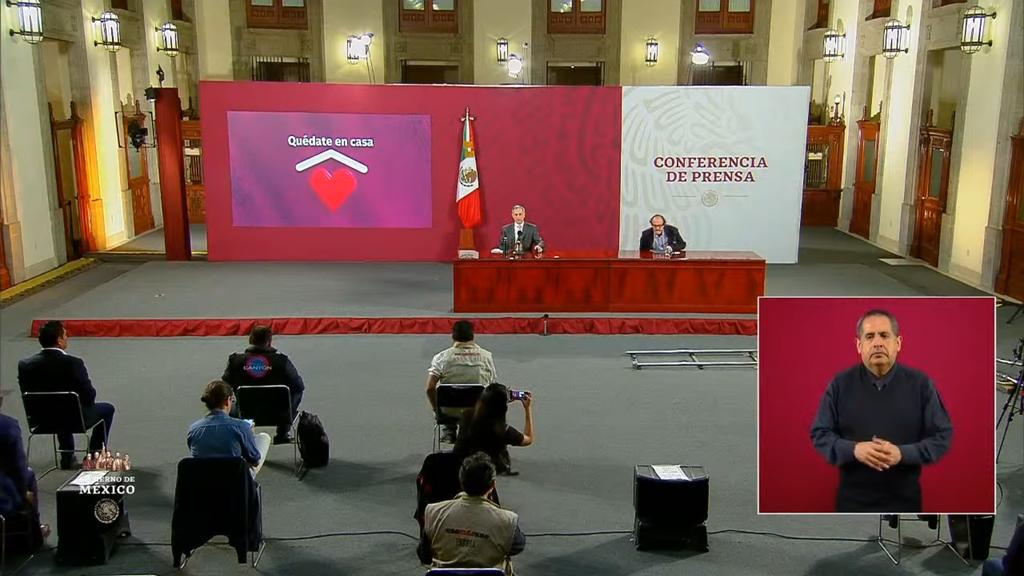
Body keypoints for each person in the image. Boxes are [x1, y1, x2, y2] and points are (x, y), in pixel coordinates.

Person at [810, 309, 953, 512]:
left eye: (884, 335)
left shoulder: (921, 384)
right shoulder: (840, 384)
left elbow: (942, 436)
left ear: (898, 343)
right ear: (859, 345)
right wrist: (854, 450)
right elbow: (820, 433)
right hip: (852, 500)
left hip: (905, 500)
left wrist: (902, 453)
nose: (877, 343)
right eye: (870, 337)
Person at [18, 320, 116, 469]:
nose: (67, 338)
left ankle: (67, 456)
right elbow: (89, 395)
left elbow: (26, 395)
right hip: (74, 419)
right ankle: (94, 456)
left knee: (58, 407)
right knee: (107, 409)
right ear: (59, 340)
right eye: (65, 335)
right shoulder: (73, 363)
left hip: (40, 421)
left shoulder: (25, 365)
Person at [419, 452, 525, 573]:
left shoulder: (433, 512)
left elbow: (424, 555)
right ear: (492, 486)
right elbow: (517, 546)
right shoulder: (507, 520)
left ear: (461, 481)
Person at [222, 325, 305, 444]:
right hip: (278, 414)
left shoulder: (235, 361)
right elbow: (299, 386)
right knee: (297, 392)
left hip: (243, 413)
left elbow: (224, 387)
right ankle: (282, 433)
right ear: (269, 341)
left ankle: (242, 433)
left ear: (251, 339)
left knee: (226, 397)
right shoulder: (282, 361)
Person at [427, 320, 498, 443]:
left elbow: (429, 388)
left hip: (448, 410)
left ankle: (449, 429)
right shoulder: (486, 356)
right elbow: (492, 386)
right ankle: (474, 432)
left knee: (439, 386)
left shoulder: (441, 357)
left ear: (453, 336)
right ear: (472, 335)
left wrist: (437, 410)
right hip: (477, 410)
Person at [187, 380, 272, 476]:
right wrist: (249, 435)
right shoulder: (241, 426)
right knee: (264, 437)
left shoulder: (193, 429)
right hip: (235, 480)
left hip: (204, 479)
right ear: (227, 401)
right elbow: (255, 461)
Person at [0, 388, 49, 551]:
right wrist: (23, 493)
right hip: (3, 500)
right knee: (28, 475)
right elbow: (18, 468)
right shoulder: (7, 426)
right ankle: (34, 535)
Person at [455, 383, 533, 477]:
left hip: (464, 462)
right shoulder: (502, 430)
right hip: (488, 467)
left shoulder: (466, 415)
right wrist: (527, 408)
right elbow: (528, 439)